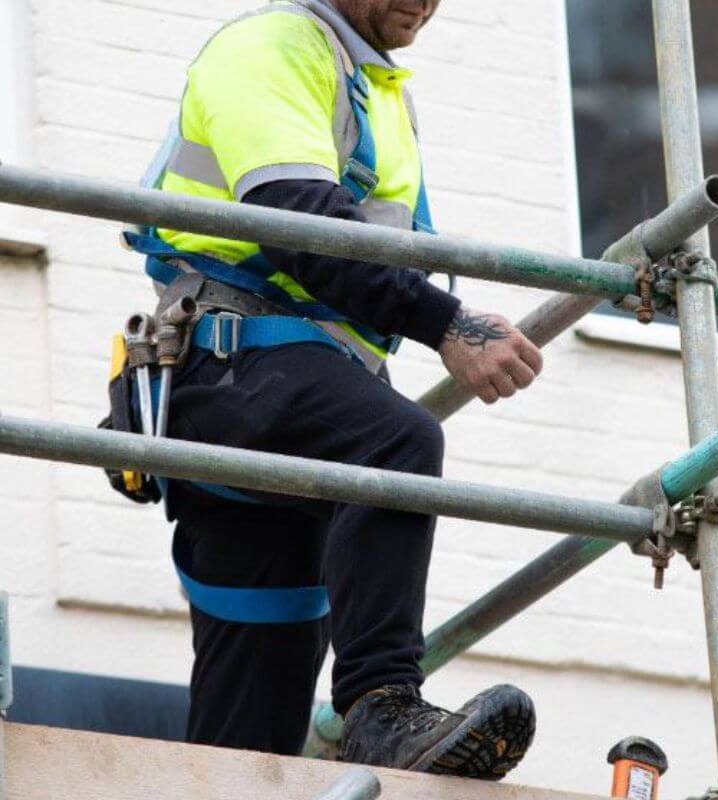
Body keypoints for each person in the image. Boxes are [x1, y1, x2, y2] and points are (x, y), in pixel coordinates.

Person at [128, 0, 543, 780]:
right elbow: (299, 220)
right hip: (234, 360)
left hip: (286, 387)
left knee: (256, 716)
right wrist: (448, 324)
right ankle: (381, 704)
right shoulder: (278, 44)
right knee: (397, 440)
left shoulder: (376, 87)